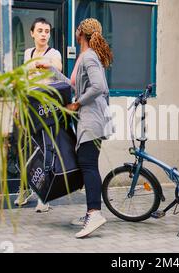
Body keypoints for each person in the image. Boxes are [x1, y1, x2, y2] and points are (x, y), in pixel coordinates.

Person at [41, 18, 114, 238]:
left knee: (88, 165)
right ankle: (90, 212)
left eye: (76, 29)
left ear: (80, 32)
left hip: (92, 119)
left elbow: (99, 86)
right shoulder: (87, 56)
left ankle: (94, 213)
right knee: (86, 164)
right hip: (90, 119)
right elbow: (72, 84)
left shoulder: (90, 56)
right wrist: (51, 69)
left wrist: (77, 103)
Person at [13, 17, 62, 213]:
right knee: (24, 148)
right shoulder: (27, 53)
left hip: (46, 109)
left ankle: (45, 196)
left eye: (47, 31)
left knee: (45, 150)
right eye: (40, 31)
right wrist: (18, 105)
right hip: (28, 106)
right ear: (32, 33)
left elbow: (57, 66)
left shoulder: (54, 53)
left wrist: (41, 64)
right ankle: (25, 189)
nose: (43, 34)